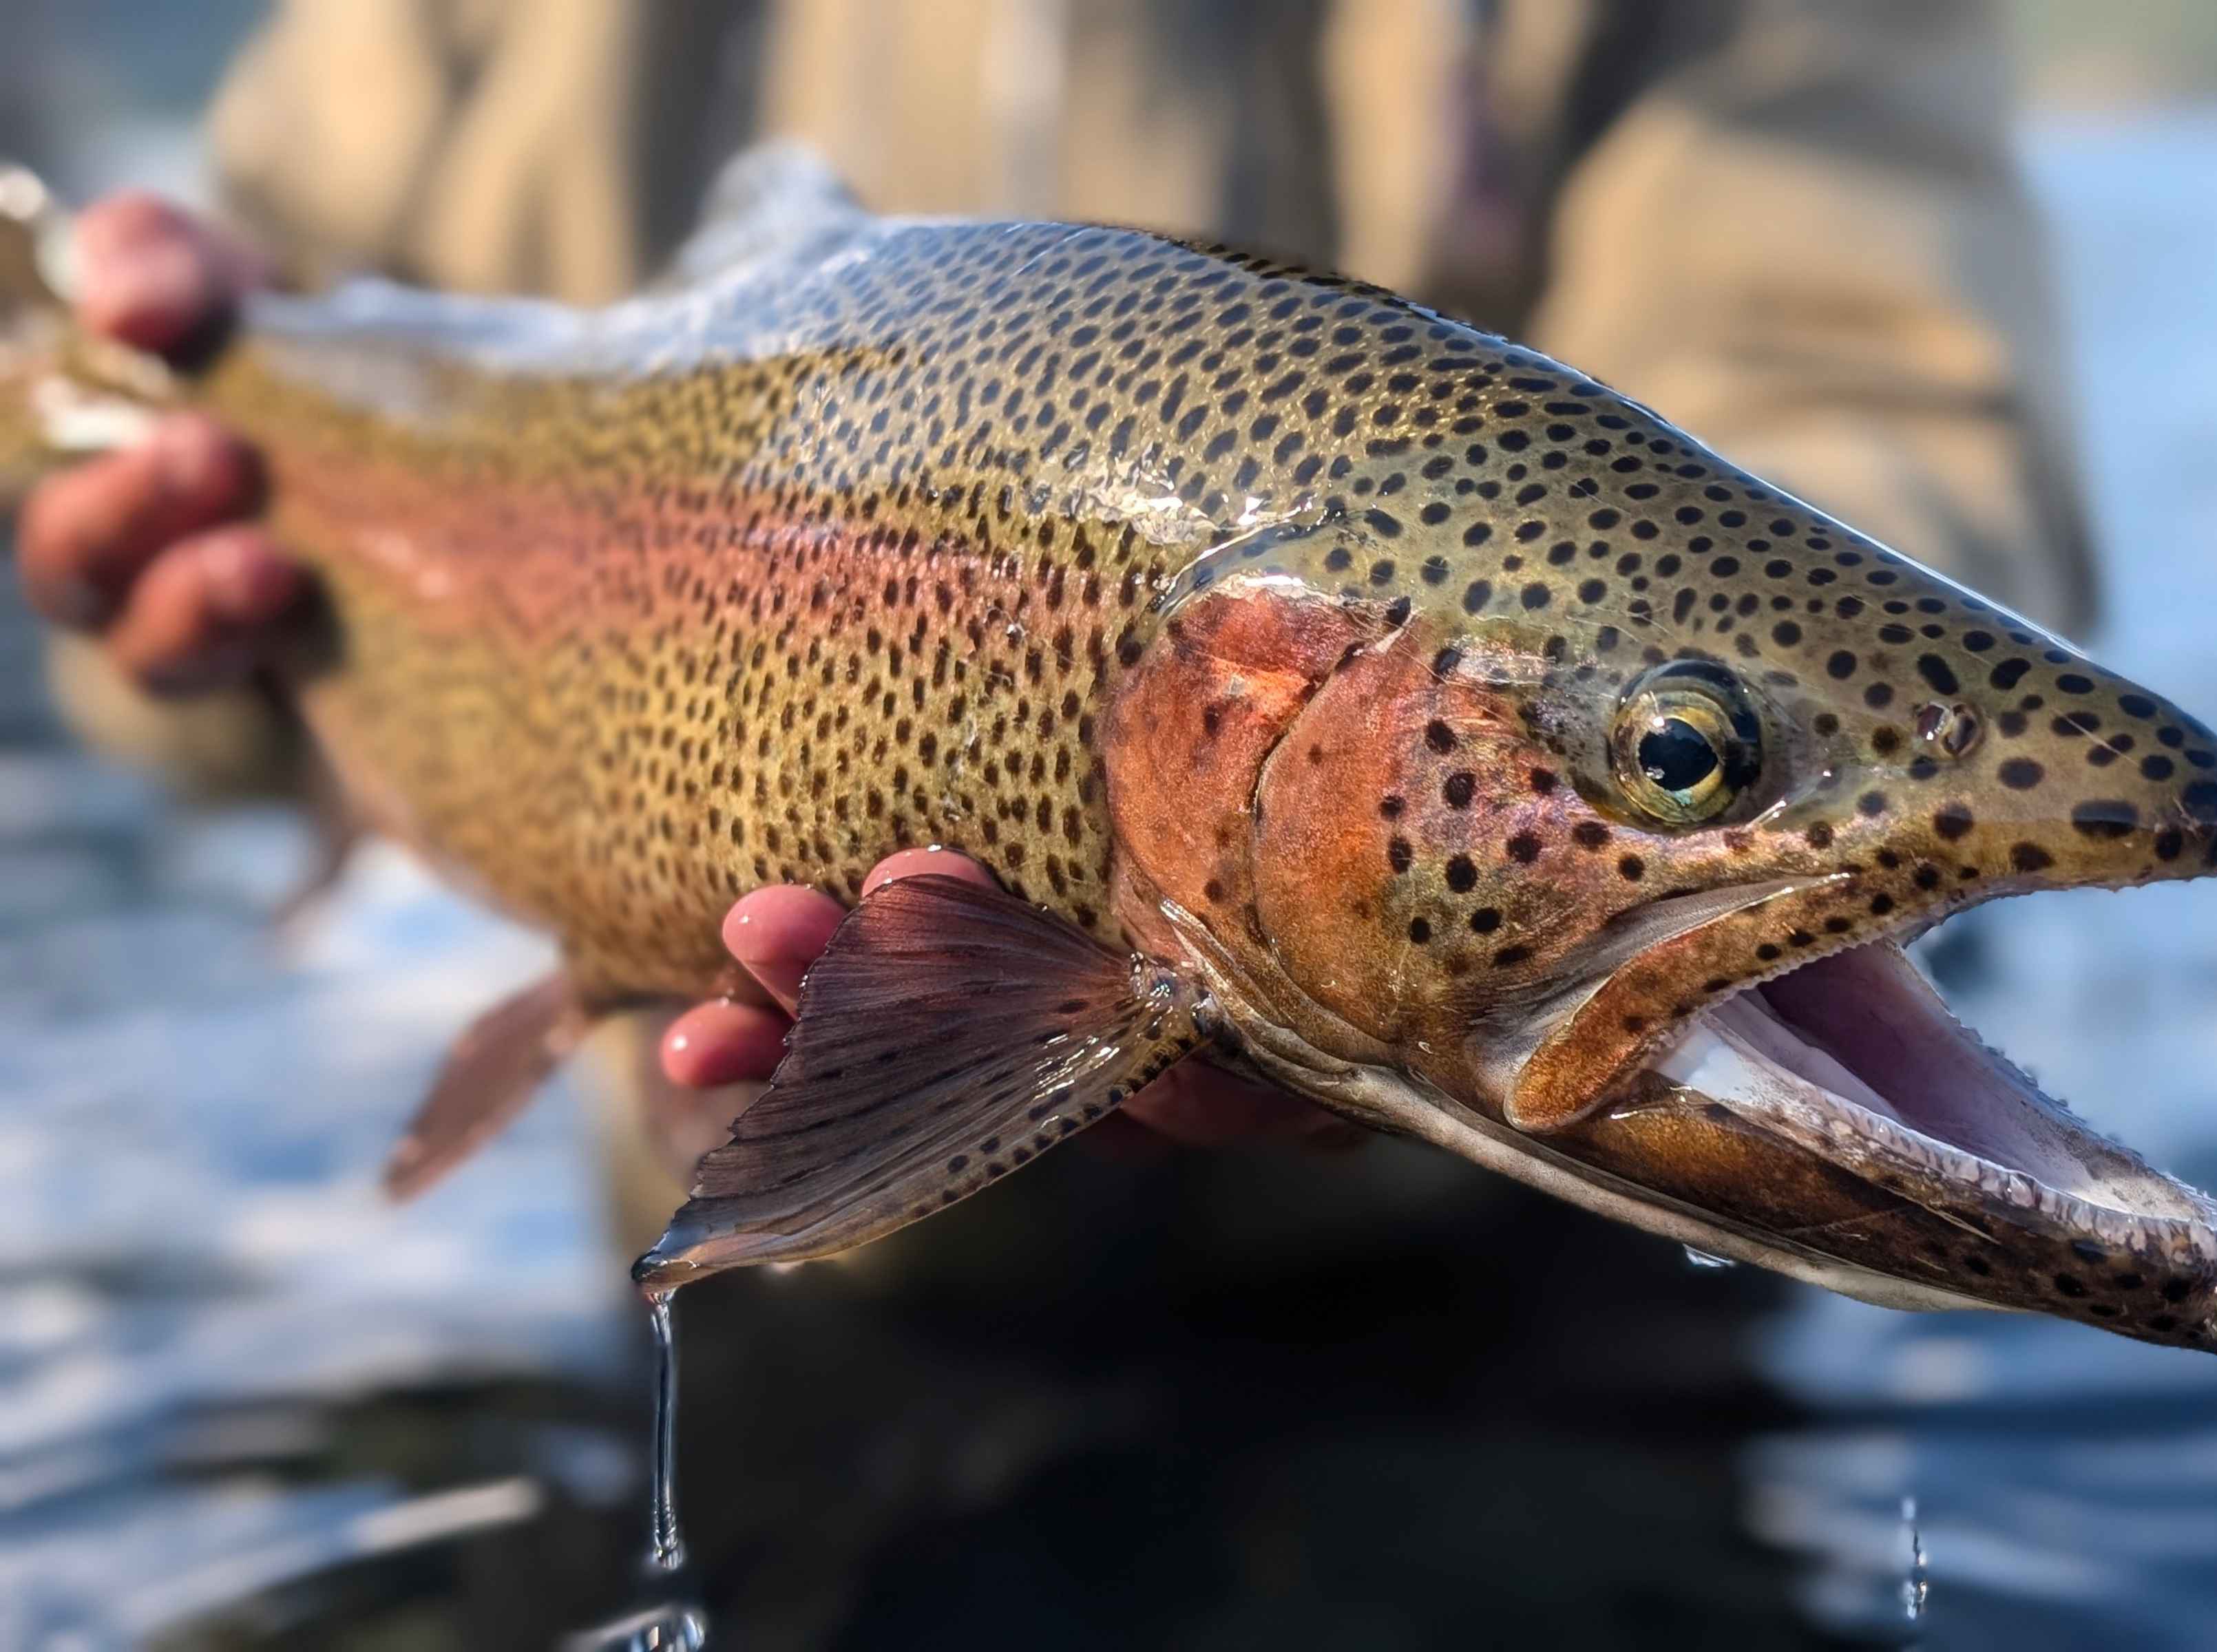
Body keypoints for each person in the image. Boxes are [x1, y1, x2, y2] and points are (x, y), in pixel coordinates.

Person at [10, 5, 2098, 1631]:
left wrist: (1727, 753)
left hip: (1508, 1313)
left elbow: (1896, 430)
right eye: (1684, 768)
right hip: (776, 1305)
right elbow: (226, 569)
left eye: (1677, 770)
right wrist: (141, 567)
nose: (1690, 791)